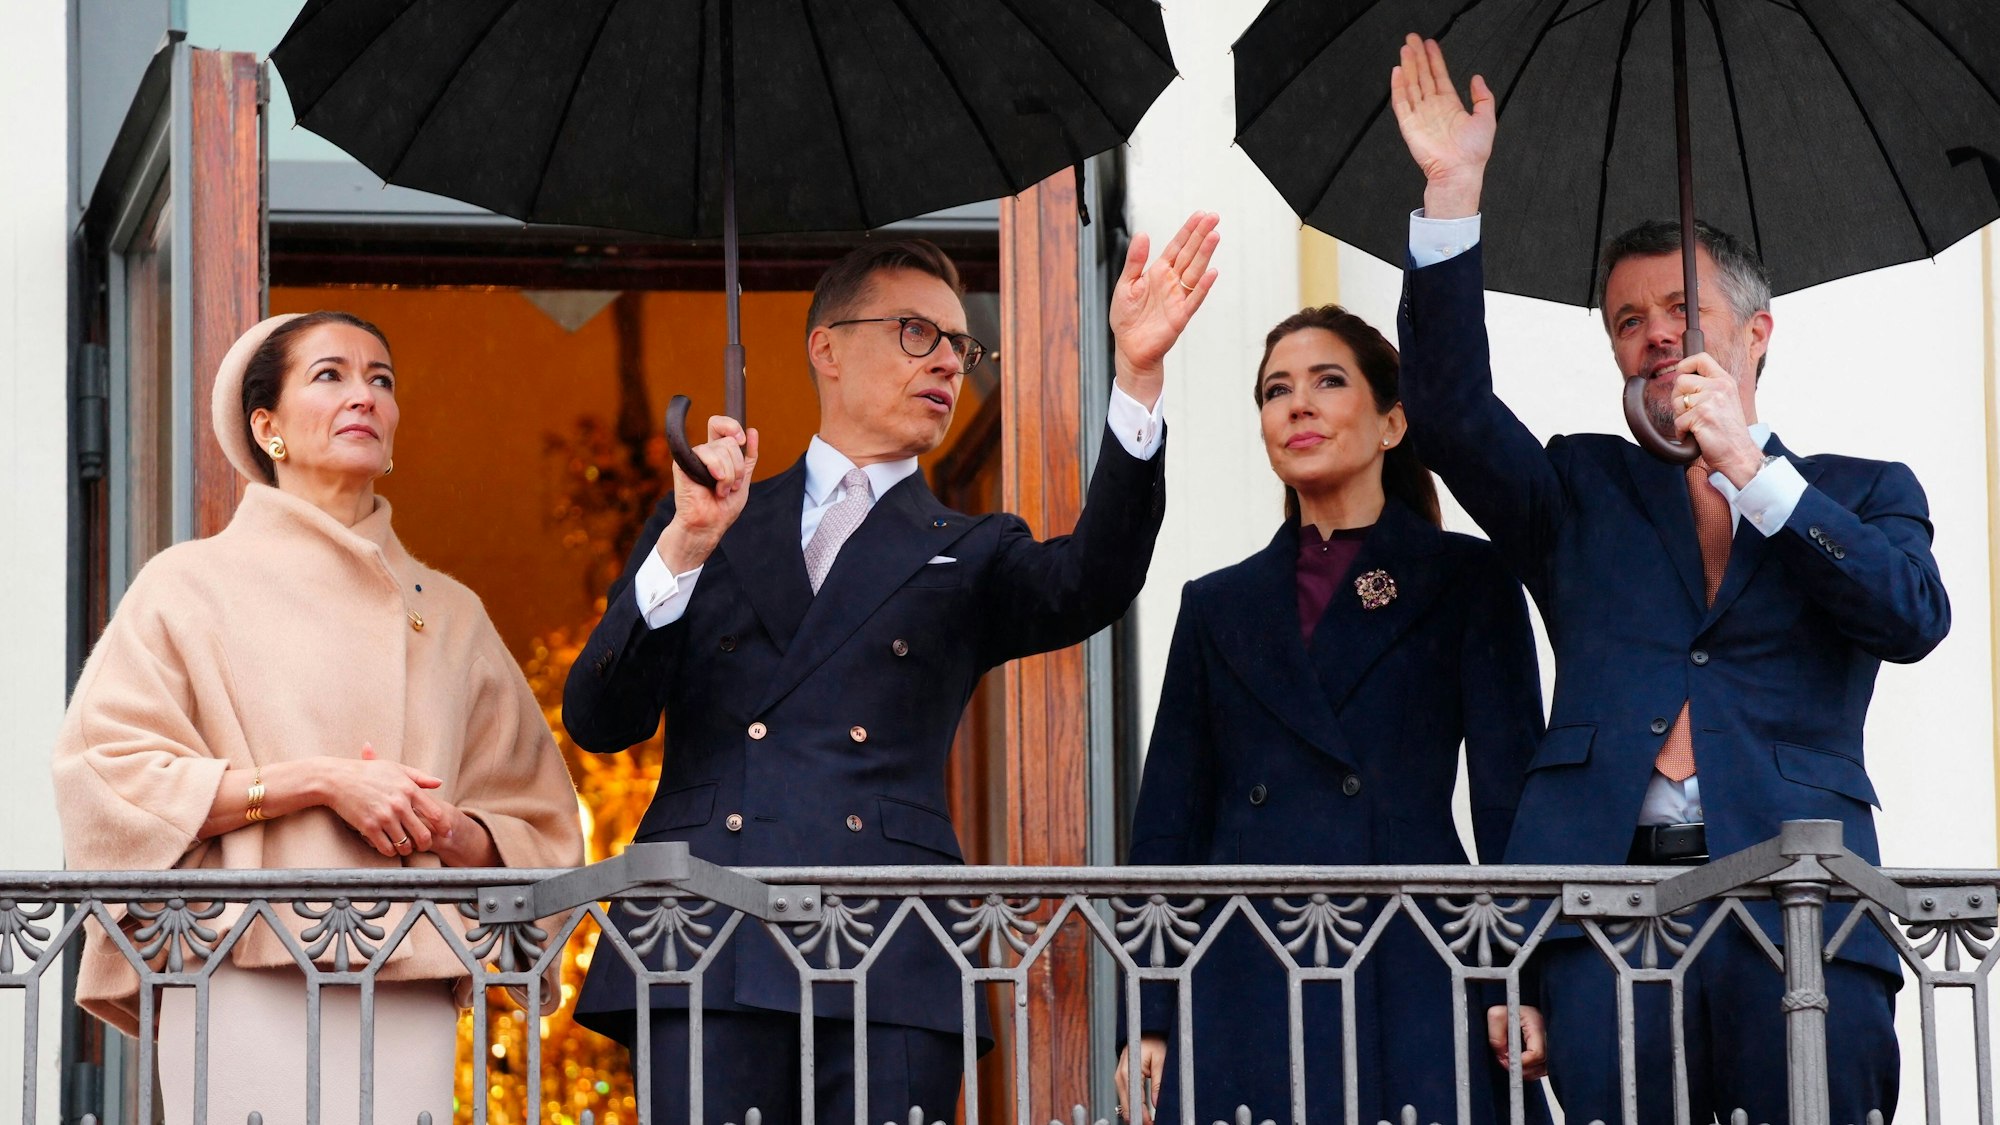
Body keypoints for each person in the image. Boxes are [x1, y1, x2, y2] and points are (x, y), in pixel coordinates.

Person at [1389, 34, 1949, 1124]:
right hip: (1604, 910)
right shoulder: (1576, 488)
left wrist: (1748, 469)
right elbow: (1449, 414)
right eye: (1624, 323)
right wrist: (1451, 195)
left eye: (1676, 315)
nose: (1649, 339)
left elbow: (1909, 614)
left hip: (1800, 906)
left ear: (1754, 333)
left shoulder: (1862, 487)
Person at [562, 215, 1220, 1124]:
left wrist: (1138, 376)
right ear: (826, 348)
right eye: (918, 334)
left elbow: (1092, 579)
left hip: (892, 949)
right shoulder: (710, 518)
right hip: (706, 938)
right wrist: (684, 544)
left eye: (961, 343)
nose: (950, 362)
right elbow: (600, 717)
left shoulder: (970, 547)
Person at [51, 311, 586, 1125]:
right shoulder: (187, 586)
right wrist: (319, 782)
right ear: (266, 426)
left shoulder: (451, 613)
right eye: (330, 375)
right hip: (235, 963)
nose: (364, 396)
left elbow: (539, 828)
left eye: (382, 379)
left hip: (405, 970)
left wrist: (441, 827)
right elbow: (106, 777)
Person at [1113, 305, 1545, 1124]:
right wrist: (1152, 1016)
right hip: (1240, 965)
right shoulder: (1217, 605)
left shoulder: (1468, 577)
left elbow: (1510, 806)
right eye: (1276, 391)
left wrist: (1515, 980)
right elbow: (1166, 830)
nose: (1297, 405)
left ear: (1391, 422)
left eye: (1327, 381)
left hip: (1417, 955)